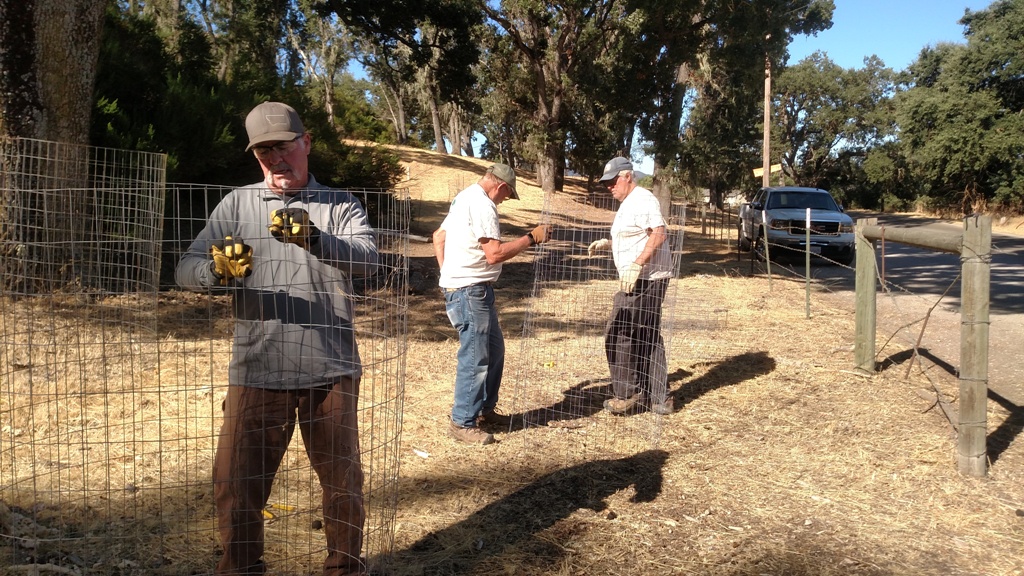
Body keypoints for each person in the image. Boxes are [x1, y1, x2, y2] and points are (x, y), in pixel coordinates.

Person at [175, 101, 377, 576]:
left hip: (330, 368)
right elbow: (184, 267)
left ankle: (344, 568)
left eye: (283, 148)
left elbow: (369, 260)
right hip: (257, 367)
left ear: (306, 143)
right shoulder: (237, 204)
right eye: (264, 153)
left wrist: (315, 239)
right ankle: (241, 568)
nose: (275, 161)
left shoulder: (341, 204)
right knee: (236, 483)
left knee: (342, 483)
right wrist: (216, 272)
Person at [432, 164, 550, 445]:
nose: (504, 200)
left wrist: (447, 275)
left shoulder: (463, 197)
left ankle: (485, 410)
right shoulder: (483, 204)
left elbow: (439, 237)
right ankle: (462, 421)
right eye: (507, 196)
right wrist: (531, 238)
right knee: (476, 357)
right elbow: (494, 254)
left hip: (468, 289)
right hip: (470, 292)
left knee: (494, 351)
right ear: (501, 187)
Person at [587, 156, 673, 416]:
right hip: (643, 277)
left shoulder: (643, 199)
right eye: (606, 184)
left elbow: (659, 233)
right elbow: (636, 236)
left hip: (645, 279)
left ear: (627, 176)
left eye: (613, 181)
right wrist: (609, 243)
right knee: (647, 334)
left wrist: (636, 264)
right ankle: (659, 397)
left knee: (618, 333)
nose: (609, 187)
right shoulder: (628, 204)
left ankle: (628, 393)